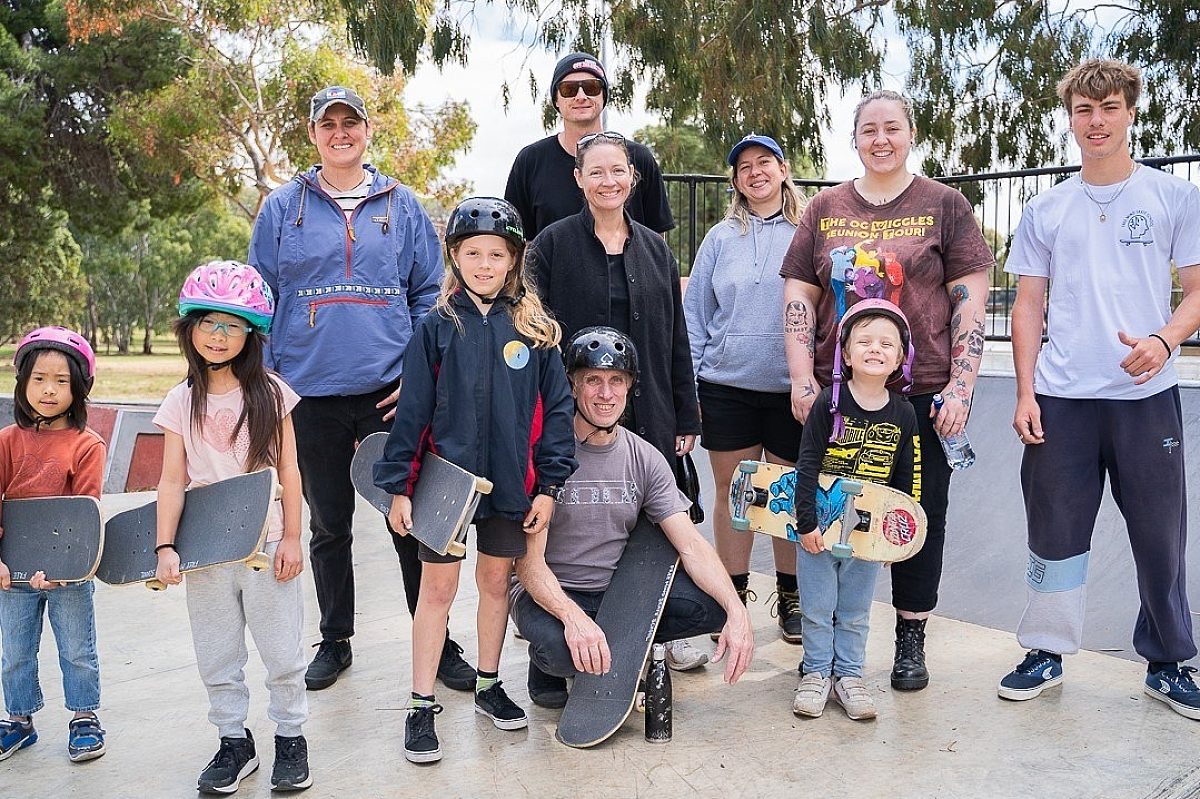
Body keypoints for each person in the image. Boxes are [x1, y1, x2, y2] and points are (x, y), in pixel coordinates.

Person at [248, 85, 475, 693]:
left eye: (352, 122)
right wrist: (269, 383)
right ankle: (336, 639)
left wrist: (417, 375)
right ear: (313, 132)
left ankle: (438, 639)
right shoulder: (281, 208)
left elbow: (430, 294)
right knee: (328, 524)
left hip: (388, 392)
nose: (340, 132)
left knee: (410, 519)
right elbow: (261, 300)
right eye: (329, 123)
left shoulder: (401, 206)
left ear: (368, 130)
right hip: (308, 392)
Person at [998, 59, 1200, 719]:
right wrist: (1026, 392)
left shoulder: (1172, 197)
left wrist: (1165, 338)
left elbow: (1196, 291)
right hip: (1063, 399)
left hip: (1147, 399)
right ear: (1071, 118)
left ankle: (1168, 662)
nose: (1096, 121)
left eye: (1108, 107)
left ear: (1131, 111)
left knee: (1160, 533)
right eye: (1084, 111)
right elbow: (1028, 305)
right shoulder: (1048, 207)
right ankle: (1046, 651)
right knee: (1054, 528)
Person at [780, 89, 994, 692]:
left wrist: (962, 385)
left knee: (914, 515)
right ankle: (822, 650)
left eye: (892, 127)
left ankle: (909, 637)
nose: (881, 139)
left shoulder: (944, 205)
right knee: (827, 513)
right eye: (869, 129)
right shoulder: (824, 207)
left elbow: (969, 301)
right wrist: (802, 376)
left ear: (911, 133)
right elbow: (800, 296)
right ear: (854, 139)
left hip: (920, 396)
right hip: (840, 397)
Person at [373, 197, 577, 764]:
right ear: (454, 259)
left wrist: (548, 486)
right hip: (445, 488)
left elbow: (556, 414)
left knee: (494, 587)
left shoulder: (536, 334)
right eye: (472, 253)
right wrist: (399, 486)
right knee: (435, 592)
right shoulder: (436, 330)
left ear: (513, 261)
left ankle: (488, 684)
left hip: (512, 486)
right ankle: (420, 704)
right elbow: (411, 412)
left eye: (496, 254)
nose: (484, 263)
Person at [527, 131, 706, 669]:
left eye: (618, 171)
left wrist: (685, 411)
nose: (609, 181)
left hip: (650, 409)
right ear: (579, 180)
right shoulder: (551, 246)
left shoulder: (655, 248)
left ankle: (655, 631)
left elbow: (676, 336)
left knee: (656, 517)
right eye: (596, 172)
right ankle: (566, 619)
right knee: (580, 519)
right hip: (574, 416)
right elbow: (533, 333)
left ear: (634, 178)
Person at [511, 327, 754, 709]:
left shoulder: (645, 458)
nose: (605, 394)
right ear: (572, 386)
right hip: (553, 592)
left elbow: (690, 544)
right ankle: (559, 661)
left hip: (619, 594)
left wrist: (737, 611)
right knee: (558, 653)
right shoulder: (547, 453)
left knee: (712, 608)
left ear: (629, 388)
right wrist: (572, 619)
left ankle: (621, 649)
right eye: (593, 380)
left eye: (616, 381)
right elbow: (528, 564)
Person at [152, 262, 311, 793]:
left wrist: (292, 536)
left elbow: (289, 470)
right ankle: (233, 741)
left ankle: (290, 737)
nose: (218, 336)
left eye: (232, 325)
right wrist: (166, 545)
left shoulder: (271, 393)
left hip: (266, 545)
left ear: (251, 333)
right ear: (189, 328)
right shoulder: (180, 401)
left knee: (283, 651)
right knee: (217, 653)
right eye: (207, 322)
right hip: (206, 552)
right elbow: (172, 480)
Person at [684, 133, 807, 643]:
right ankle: (729, 597)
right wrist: (688, 388)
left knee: (782, 497)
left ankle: (792, 597)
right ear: (735, 180)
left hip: (789, 390)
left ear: (782, 170)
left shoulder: (808, 232)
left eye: (765, 163)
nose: (755, 172)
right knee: (735, 497)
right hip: (725, 385)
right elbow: (695, 315)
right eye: (744, 167)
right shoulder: (719, 238)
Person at [790, 301, 921, 721]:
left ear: (901, 357)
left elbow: (907, 478)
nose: (875, 349)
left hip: (868, 536)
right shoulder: (829, 402)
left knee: (854, 610)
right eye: (864, 341)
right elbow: (807, 464)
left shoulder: (903, 412)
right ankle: (815, 674)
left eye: (887, 343)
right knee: (816, 605)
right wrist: (806, 522)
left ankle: (848, 676)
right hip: (820, 529)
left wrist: (893, 538)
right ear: (845, 354)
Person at [0, 327, 106, 763]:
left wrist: (64, 567)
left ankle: (84, 717)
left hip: (66, 573)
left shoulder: (86, 445)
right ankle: (19, 721)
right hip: (12, 572)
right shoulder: (6, 441)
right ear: (22, 383)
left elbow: (84, 514)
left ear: (78, 388)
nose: (48, 390)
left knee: (77, 650)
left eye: (61, 381)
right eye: (38, 378)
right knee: (14, 650)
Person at [504, 51, 674, 239]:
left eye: (591, 87)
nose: (581, 96)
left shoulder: (638, 157)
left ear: (604, 96)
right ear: (556, 100)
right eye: (569, 90)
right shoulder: (530, 161)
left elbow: (657, 236)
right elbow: (517, 241)